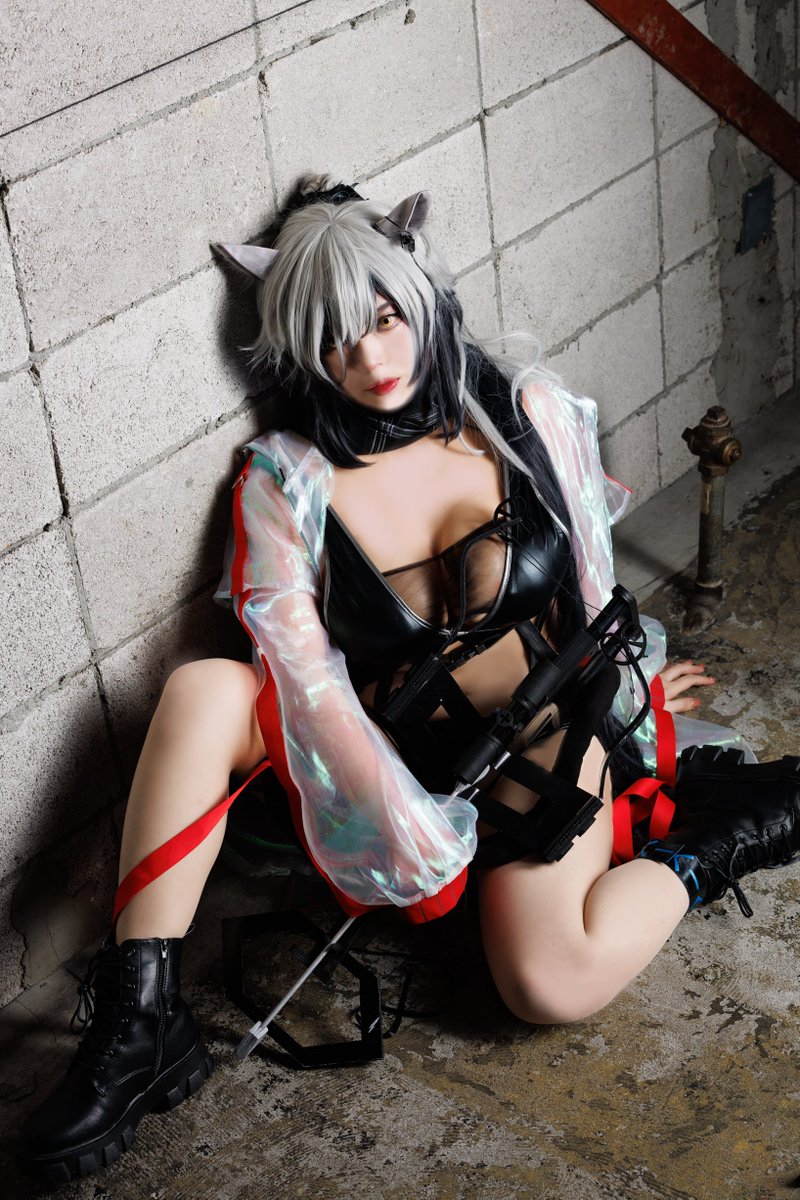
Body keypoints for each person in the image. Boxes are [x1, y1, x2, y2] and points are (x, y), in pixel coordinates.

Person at [16, 175, 800, 1185]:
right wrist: (397, 819)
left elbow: (590, 593)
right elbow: (297, 670)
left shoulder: (520, 414)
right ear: (302, 349)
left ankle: (720, 838)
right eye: (335, 338)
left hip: (540, 732)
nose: (372, 360)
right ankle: (139, 1024)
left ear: (423, 296)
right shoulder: (286, 476)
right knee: (204, 689)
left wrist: (636, 701)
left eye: (385, 319)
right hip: (380, 750)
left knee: (548, 984)